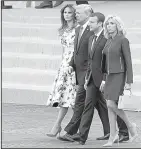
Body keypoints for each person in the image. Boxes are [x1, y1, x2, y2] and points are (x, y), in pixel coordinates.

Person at [68, 12, 130, 145]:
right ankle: (82, 136)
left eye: (92, 22)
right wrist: (86, 78)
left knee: (112, 105)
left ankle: (124, 131)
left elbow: (109, 60)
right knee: (89, 105)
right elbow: (91, 60)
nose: (89, 24)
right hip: (91, 78)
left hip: (106, 78)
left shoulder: (108, 38)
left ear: (99, 24)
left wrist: (105, 78)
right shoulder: (91, 38)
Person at [56, 4, 109, 143]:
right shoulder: (79, 29)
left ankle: (70, 131)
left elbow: (95, 55)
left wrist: (98, 75)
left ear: (88, 14)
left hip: (89, 73)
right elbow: (77, 50)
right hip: (80, 72)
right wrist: (71, 64)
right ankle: (115, 130)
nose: (75, 15)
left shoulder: (93, 30)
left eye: (78, 13)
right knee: (100, 103)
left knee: (81, 102)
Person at [101, 15, 138, 147]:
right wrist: (104, 80)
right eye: (107, 24)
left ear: (118, 25)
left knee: (111, 104)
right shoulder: (108, 40)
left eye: (112, 23)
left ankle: (130, 125)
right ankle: (112, 137)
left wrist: (129, 81)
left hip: (120, 75)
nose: (109, 26)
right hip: (109, 77)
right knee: (109, 108)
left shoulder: (123, 40)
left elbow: (128, 61)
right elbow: (104, 63)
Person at [45, 4, 77, 137]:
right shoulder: (62, 30)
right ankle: (57, 125)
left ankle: (75, 127)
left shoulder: (78, 29)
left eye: (69, 12)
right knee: (64, 97)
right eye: (65, 12)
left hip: (74, 64)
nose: (67, 15)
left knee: (74, 99)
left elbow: (78, 49)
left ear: (74, 14)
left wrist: (73, 65)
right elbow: (63, 50)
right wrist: (62, 65)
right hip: (64, 64)